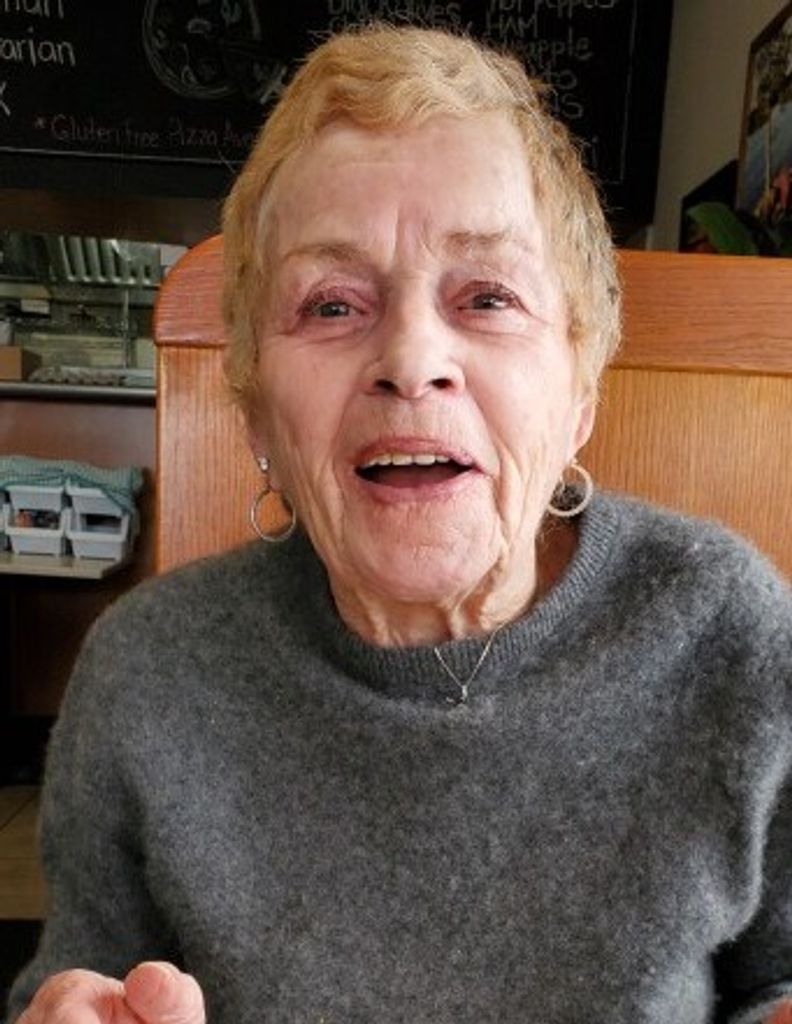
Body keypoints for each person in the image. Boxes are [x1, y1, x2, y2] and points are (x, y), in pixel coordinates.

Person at [6, 23, 792, 1024]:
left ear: (580, 393)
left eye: (488, 296)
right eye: (332, 305)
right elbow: (77, 981)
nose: (411, 360)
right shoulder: (144, 675)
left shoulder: (730, 632)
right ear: (256, 411)